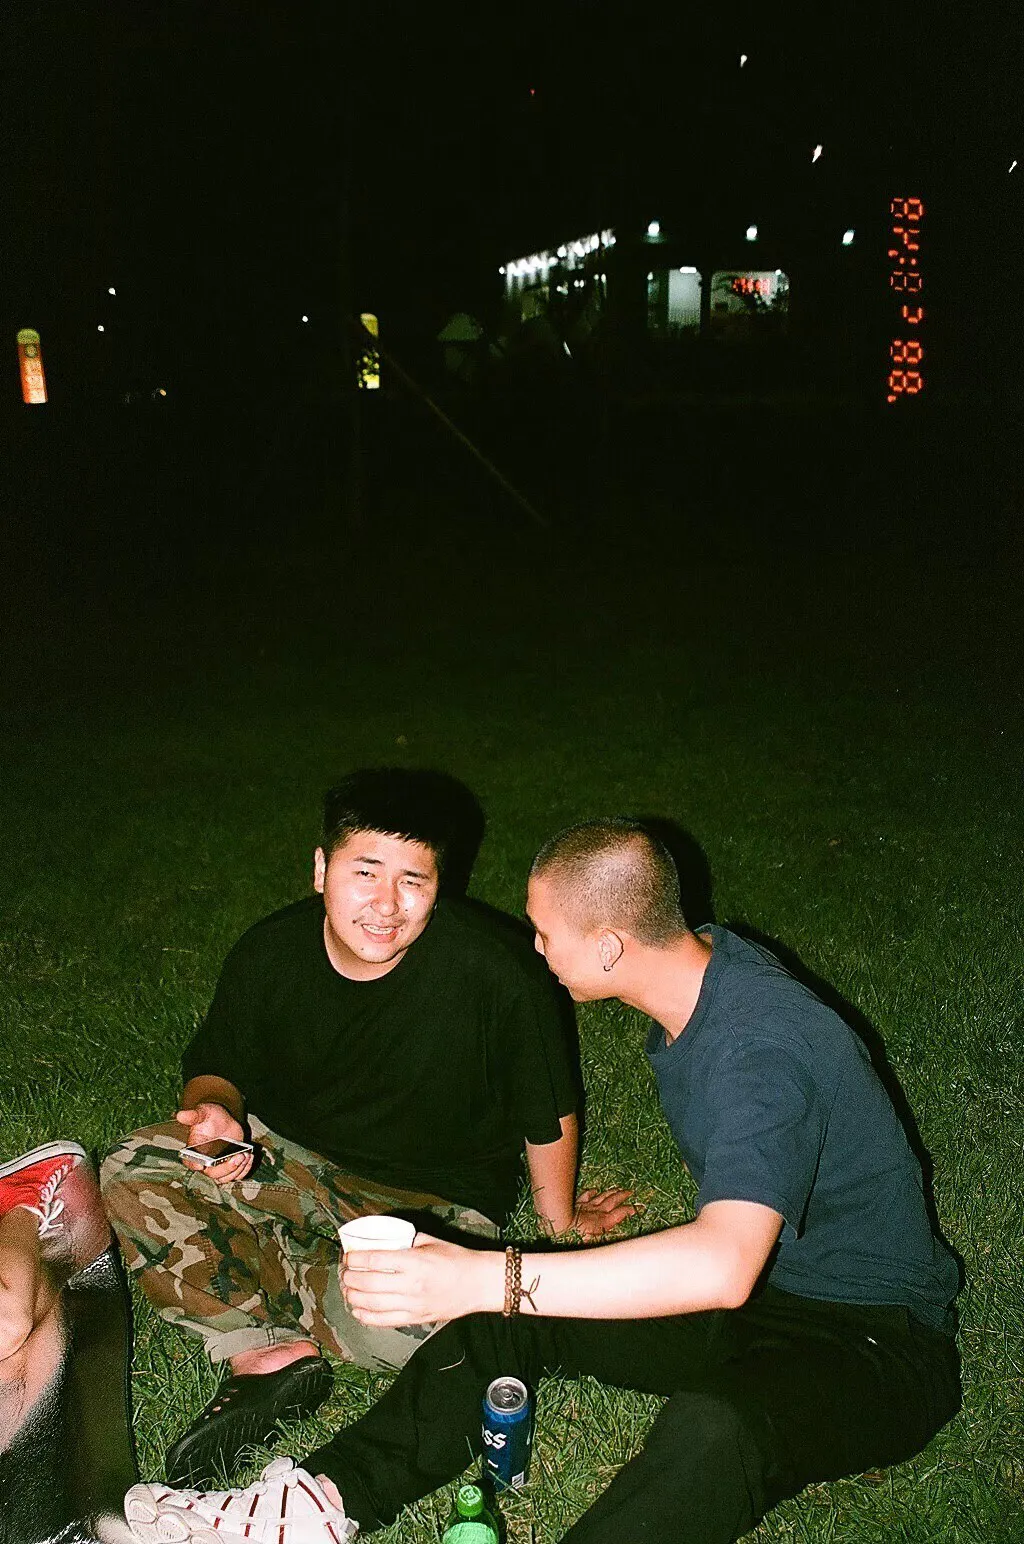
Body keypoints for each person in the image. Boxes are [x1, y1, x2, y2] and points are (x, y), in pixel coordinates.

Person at [123, 818, 962, 1544]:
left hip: (875, 1341)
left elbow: (723, 1265)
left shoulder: (759, 1050)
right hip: (763, 1302)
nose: (533, 948)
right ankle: (312, 1509)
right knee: (501, 1319)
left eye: (543, 932)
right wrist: (496, 1287)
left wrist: (485, 1273)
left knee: (715, 1427)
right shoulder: (708, 972)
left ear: (609, 946)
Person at [102, 774, 633, 1488]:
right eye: (365, 873)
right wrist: (215, 1113)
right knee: (131, 1170)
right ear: (322, 868)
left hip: (431, 1206)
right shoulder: (271, 952)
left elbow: (550, 1113)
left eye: (413, 881)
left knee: (445, 1335)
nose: (386, 905)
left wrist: (557, 1222)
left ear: (441, 885)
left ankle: (278, 1277)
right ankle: (263, 1349)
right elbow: (216, 1067)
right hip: (284, 1162)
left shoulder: (498, 972)